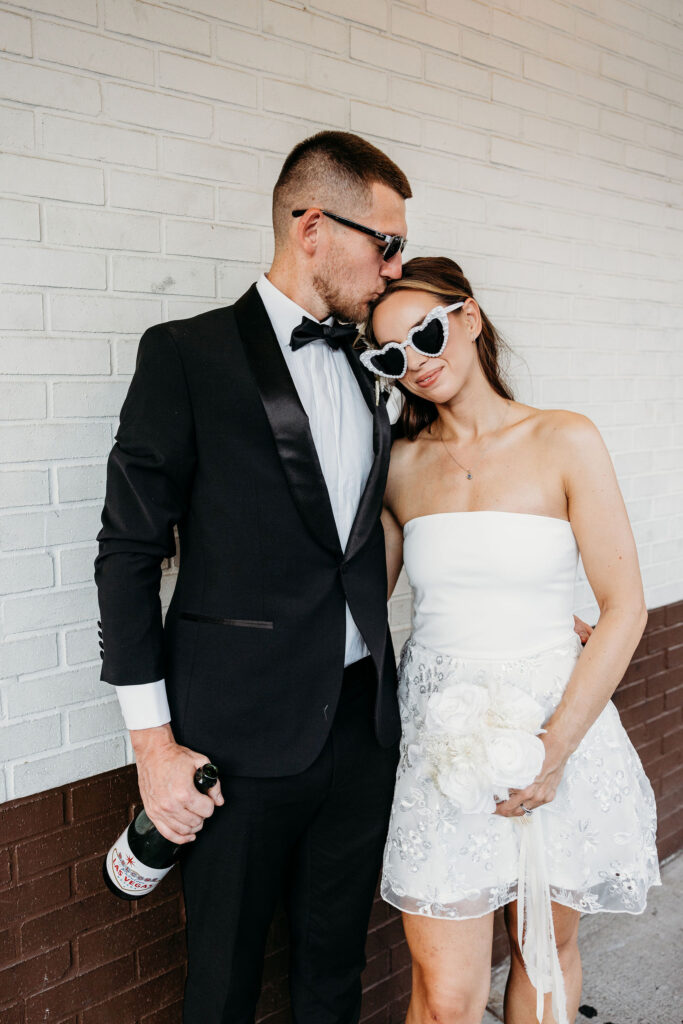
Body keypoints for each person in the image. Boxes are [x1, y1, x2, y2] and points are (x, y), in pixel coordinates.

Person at [95, 130, 411, 1023]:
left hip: (361, 728)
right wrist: (153, 748)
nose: (394, 268)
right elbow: (127, 554)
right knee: (224, 983)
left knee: (334, 975)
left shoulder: (376, 365)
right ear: (312, 228)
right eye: (385, 243)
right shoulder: (185, 355)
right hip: (232, 740)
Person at [363, 256, 660, 1024]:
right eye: (389, 355)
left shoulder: (564, 439)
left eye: (425, 334)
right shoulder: (397, 465)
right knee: (446, 995)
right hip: (439, 744)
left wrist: (553, 749)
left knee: (543, 956)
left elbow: (624, 606)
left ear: (468, 317)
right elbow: (357, 604)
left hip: (556, 726)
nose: (414, 362)